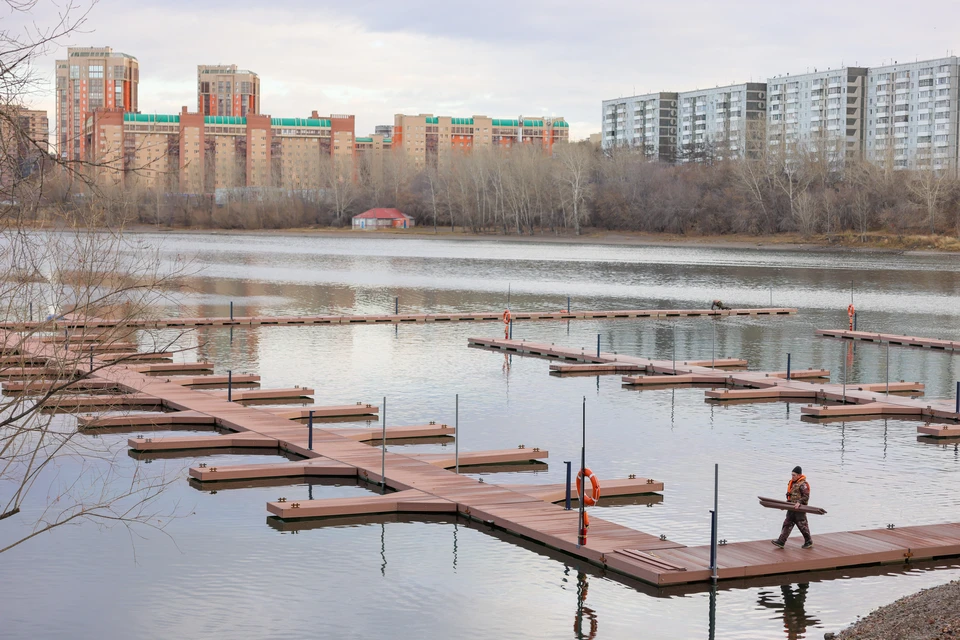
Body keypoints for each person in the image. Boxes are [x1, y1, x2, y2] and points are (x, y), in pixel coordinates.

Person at [771, 466, 813, 549]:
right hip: (791, 508)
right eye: (792, 475)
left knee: (802, 525)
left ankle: (808, 541)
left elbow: (806, 496)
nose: (792, 477)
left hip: (799, 509)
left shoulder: (803, 485)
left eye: (794, 475)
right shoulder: (792, 483)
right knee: (787, 524)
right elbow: (790, 497)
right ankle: (781, 541)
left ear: (799, 475)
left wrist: (799, 502)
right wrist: (785, 505)